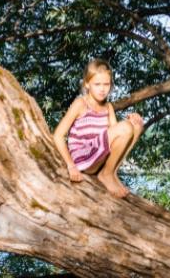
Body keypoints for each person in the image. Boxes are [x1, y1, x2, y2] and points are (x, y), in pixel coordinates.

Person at [53, 58, 144, 198]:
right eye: (97, 84)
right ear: (87, 84)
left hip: (99, 156)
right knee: (126, 127)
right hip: (83, 157)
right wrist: (70, 166)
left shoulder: (108, 107)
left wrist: (132, 121)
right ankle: (106, 175)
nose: (102, 89)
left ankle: (111, 172)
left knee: (136, 126)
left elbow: (117, 139)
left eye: (106, 84)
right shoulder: (81, 103)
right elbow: (58, 135)